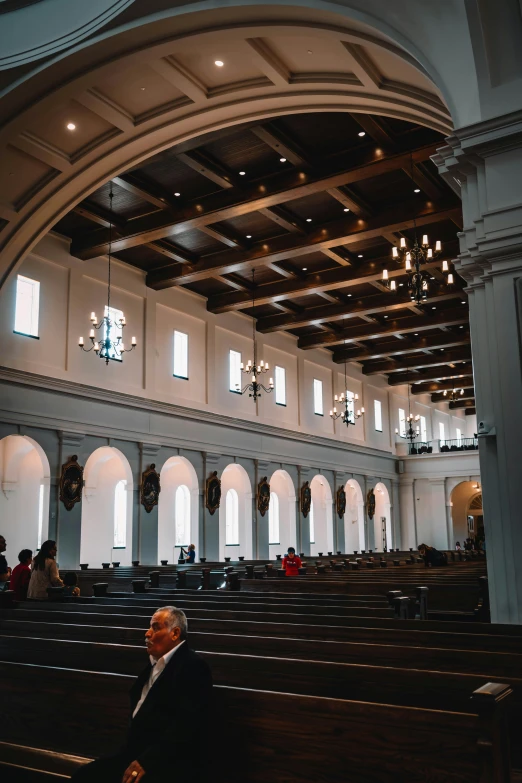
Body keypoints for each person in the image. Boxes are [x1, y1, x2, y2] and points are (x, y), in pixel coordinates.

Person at [72, 606, 212, 783]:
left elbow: (186, 725)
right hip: (136, 753)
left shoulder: (193, 666)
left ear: (175, 633)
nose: (147, 633)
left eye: (155, 627)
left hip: (166, 762)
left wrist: (147, 761)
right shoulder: (155, 664)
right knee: (83, 776)